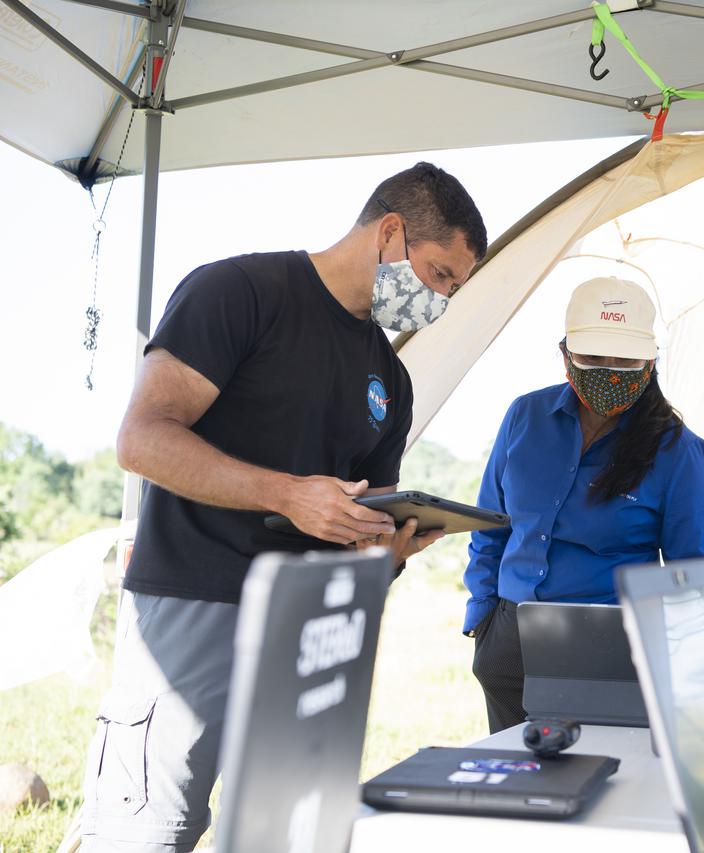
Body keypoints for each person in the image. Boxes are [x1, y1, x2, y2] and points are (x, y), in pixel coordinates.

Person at [81, 162, 487, 852]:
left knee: (287, 836)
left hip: (305, 634)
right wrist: (286, 493)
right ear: (391, 233)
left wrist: (380, 556)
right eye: (440, 276)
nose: (441, 300)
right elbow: (142, 438)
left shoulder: (391, 379)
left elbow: (356, 517)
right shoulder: (240, 293)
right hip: (193, 606)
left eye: (454, 288)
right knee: (149, 832)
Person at [464, 277, 704, 733]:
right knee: (513, 776)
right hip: (509, 633)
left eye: (624, 361)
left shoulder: (676, 450)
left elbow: (693, 571)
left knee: (593, 776)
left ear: (650, 362)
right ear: (564, 354)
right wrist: (482, 613)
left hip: (606, 642)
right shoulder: (524, 416)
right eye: (593, 357)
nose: (609, 371)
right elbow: (491, 526)